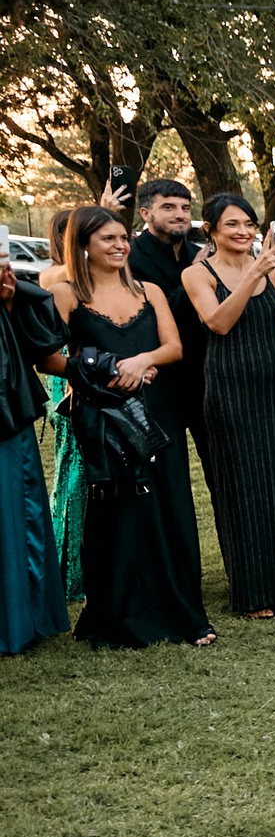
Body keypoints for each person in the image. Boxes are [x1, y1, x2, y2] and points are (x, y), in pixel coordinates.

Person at [47, 206, 214, 646]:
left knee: (171, 507)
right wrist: (101, 370)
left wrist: (143, 362)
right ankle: (118, 618)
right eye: (108, 239)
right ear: (83, 246)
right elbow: (47, 358)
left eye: (123, 237)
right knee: (118, 515)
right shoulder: (67, 295)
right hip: (104, 417)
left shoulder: (151, 291)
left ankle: (186, 617)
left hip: (158, 410)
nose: (121, 245)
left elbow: (173, 347)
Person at [184, 192, 275, 618]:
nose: (243, 232)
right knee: (244, 487)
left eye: (248, 224)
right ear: (211, 230)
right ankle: (255, 592)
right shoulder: (197, 273)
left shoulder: (274, 269)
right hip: (231, 389)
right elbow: (219, 322)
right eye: (232, 225)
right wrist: (254, 271)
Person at [0, 256, 66, 654]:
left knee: (17, 509)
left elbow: (39, 342)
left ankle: (22, 616)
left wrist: (8, 300)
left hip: (7, 411)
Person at [122, 178, 208, 459]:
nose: (180, 214)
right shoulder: (130, 258)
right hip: (157, 379)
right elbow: (147, 315)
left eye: (185, 207)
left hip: (205, 376)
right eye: (168, 207)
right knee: (169, 469)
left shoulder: (199, 254)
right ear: (146, 214)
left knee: (220, 467)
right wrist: (192, 278)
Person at [40, 208, 84, 598]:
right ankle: (70, 569)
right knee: (74, 468)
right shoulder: (55, 274)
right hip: (67, 376)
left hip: (84, 370)